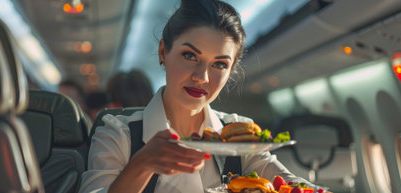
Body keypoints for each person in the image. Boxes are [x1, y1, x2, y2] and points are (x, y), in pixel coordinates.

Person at [79, 1, 324, 193]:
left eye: (219, 64)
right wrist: (141, 165)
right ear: (163, 52)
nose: (202, 77)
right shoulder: (119, 133)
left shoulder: (240, 134)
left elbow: (291, 184)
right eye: (189, 56)